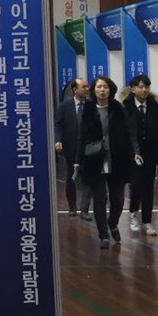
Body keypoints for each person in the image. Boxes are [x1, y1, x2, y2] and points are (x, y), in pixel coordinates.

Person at [76, 75, 135, 248]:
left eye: (105, 87)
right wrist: (77, 160)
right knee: (99, 199)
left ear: (110, 90)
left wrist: (135, 152)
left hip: (117, 159)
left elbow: (129, 133)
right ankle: (103, 234)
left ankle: (113, 222)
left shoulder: (118, 108)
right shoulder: (87, 109)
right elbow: (82, 136)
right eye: (99, 87)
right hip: (95, 159)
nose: (102, 90)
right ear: (94, 90)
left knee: (118, 200)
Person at [122, 74, 158, 235]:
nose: (144, 90)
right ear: (133, 89)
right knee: (136, 184)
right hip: (132, 153)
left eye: (146, 87)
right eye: (140, 87)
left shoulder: (155, 107)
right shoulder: (125, 107)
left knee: (148, 187)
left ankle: (147, 221)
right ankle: (133, 214)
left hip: (151, 153)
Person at [55, 77, 91, 220]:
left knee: (87, 178)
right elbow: (58, 124)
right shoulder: (65, 106)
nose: (87, 89)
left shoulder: (91, 105)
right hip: (70, 146)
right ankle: (72, 206)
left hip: (88, 148)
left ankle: (85, 208)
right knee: (71, 177)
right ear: (75, 89)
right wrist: (58, 140)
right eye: (84, 87)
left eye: (87, 86)